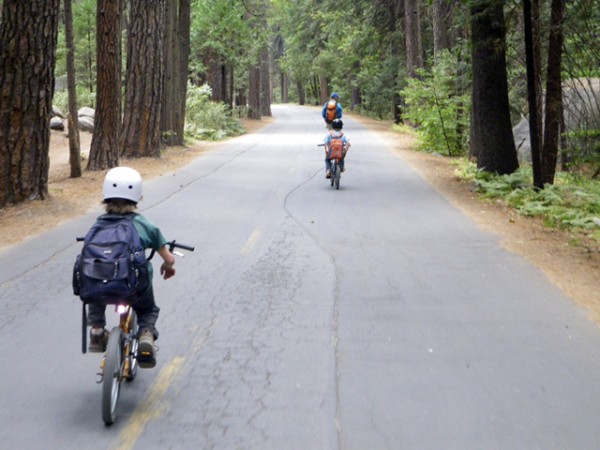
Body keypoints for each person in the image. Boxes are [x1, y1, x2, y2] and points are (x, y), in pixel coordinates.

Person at [87, 167, 175, 368]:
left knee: (95, 294)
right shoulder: (143, 224)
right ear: (137, 196)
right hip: (135, 287)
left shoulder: (98, 224)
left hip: (102, 282)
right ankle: (145, 334)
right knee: (148, 309)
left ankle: (97, 330)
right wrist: (167, 267)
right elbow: (169, 258)